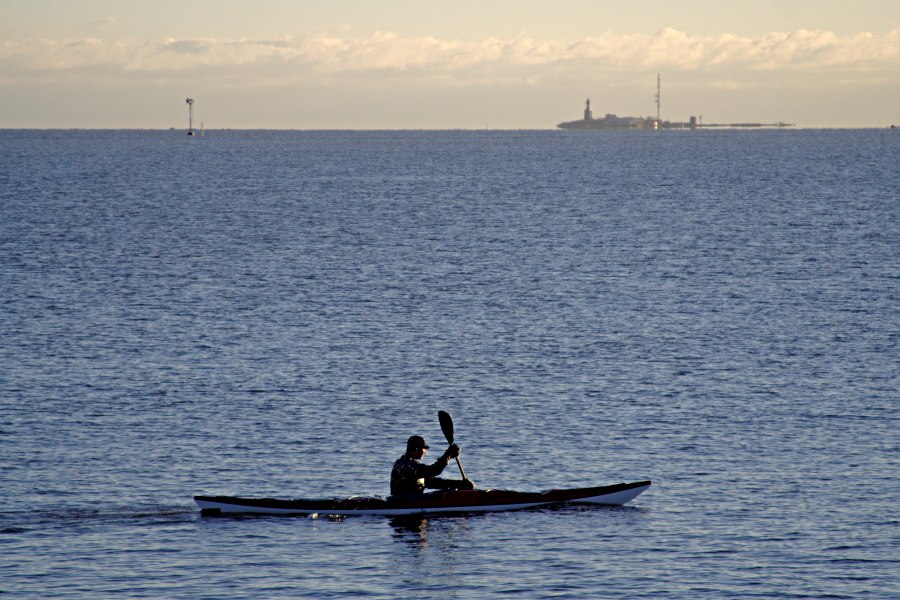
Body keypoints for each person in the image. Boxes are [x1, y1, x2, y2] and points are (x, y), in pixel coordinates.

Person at [390, 435, 475, 498]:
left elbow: (432, 482)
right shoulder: (405, 465)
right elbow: (433, 471)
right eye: (424, 449)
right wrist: (447, 454)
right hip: (405, 502)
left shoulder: (408, 464)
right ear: (416, 449)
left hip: (411, 500)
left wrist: (459, 484)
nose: (425, 452)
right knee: (448, 493)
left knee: (450, 491)